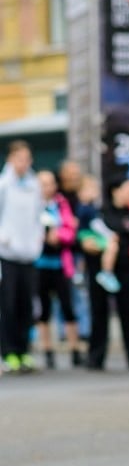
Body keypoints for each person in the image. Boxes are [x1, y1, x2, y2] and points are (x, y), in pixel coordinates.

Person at [82, 175, 129, 370]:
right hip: (98, 270)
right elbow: (83, 236)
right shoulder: (98, 214)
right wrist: (89, 244)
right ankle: (95, 357)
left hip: (125, 269)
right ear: (116, 190)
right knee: (99, 313)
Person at [0, 140, 44, 372]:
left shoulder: (34, 185)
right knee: (8, 306)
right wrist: (4, 238)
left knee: (26, 306)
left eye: (27, 159)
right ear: (10, 159)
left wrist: (38, 240)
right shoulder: (4, 185)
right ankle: (9, 354)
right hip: (7, 255)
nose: (24, 163)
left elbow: (39, 217)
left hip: (29, 255)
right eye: (19, 158)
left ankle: (23, 351)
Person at [35, 170, 83, 369]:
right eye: (43, 184)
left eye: (50, 183)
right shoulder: (32, 205)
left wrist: (59, 235)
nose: (48, 187)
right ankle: (47, 350)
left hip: (60, 263)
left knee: (68, 307)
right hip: (39, 263)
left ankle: (75, 349)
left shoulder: (62, 204)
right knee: (43, 309)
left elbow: (71, 230)